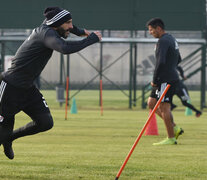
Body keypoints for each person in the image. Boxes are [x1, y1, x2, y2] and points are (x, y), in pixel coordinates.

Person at [0, 7, 102, 159]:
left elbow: (66, 27)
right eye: (68, 23)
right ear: (57, 23)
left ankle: (9, 138)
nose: (70, 26)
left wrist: (79, 31)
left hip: (27, 89)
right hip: (10, 88)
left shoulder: (49, 27)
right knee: (3, 133)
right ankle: (6, 139)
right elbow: (64, 48)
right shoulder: (46, 34)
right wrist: (91, 39)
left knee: (45, 123)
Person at [146, 18, 183, 145]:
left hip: (164, 80)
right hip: (168, 76)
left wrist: (155, 80)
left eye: (151, 30)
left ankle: (171, 138)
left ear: (159, 28)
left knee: (163, 107)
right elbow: (179, 58)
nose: (150, 32)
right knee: (151, 103)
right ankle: (174, 126)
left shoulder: (163, 41)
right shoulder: (171, 39)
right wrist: (171, 68)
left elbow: (160, 62)